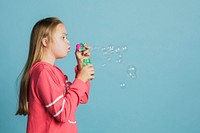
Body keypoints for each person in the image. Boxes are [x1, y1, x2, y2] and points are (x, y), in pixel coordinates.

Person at [15, 17, 95, 133]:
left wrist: (82, 66)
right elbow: (62, 113)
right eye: (63, 37)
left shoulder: (55, 72)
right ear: (45, 41)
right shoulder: (43, 73)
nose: (68, 41)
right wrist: (81, 79)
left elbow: (82, 97)